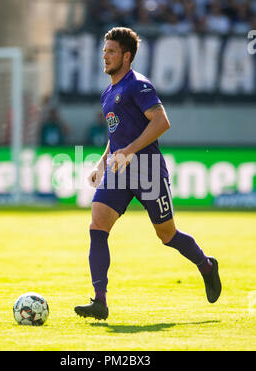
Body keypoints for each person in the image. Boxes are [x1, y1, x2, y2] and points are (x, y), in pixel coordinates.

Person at [74, 27, 221, 320]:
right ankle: (99, 300)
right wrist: (103, 162)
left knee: (167, 235)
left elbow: (161, 122)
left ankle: (206, 265)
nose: (105, 56)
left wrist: (129, 151)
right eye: (104, 51)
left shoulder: (138, 85)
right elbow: (115, 135)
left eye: (111, 51)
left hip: (148, 170)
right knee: (97, 225)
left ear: (126, 56)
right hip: (119, 171)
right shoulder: (108, 92)